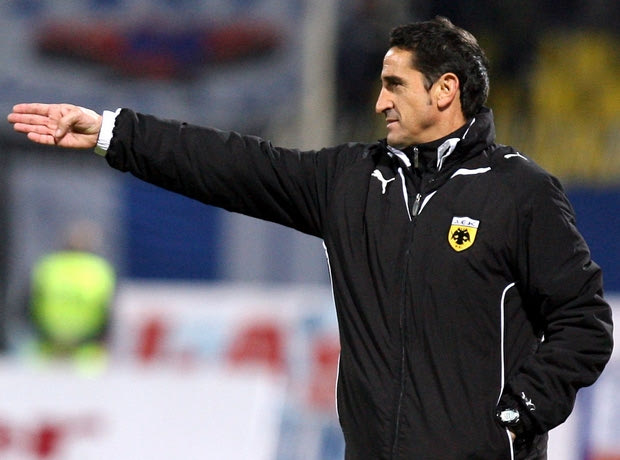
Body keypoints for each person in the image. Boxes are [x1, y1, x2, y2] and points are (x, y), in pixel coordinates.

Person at [7, 16, 613, 460]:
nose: (378, 102)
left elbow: (584, 322)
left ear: (444, 90)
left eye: (394, 85)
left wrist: (519, 411)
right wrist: (113, 133)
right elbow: (232, 164)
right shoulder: (351, 181)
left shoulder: (519, 192)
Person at [27, 220, 115, 367]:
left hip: (50, 345)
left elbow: (28, 305)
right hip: (84, 348)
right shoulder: (99, 270)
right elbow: (108, 313)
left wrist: (46, 335)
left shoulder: (49, 266)